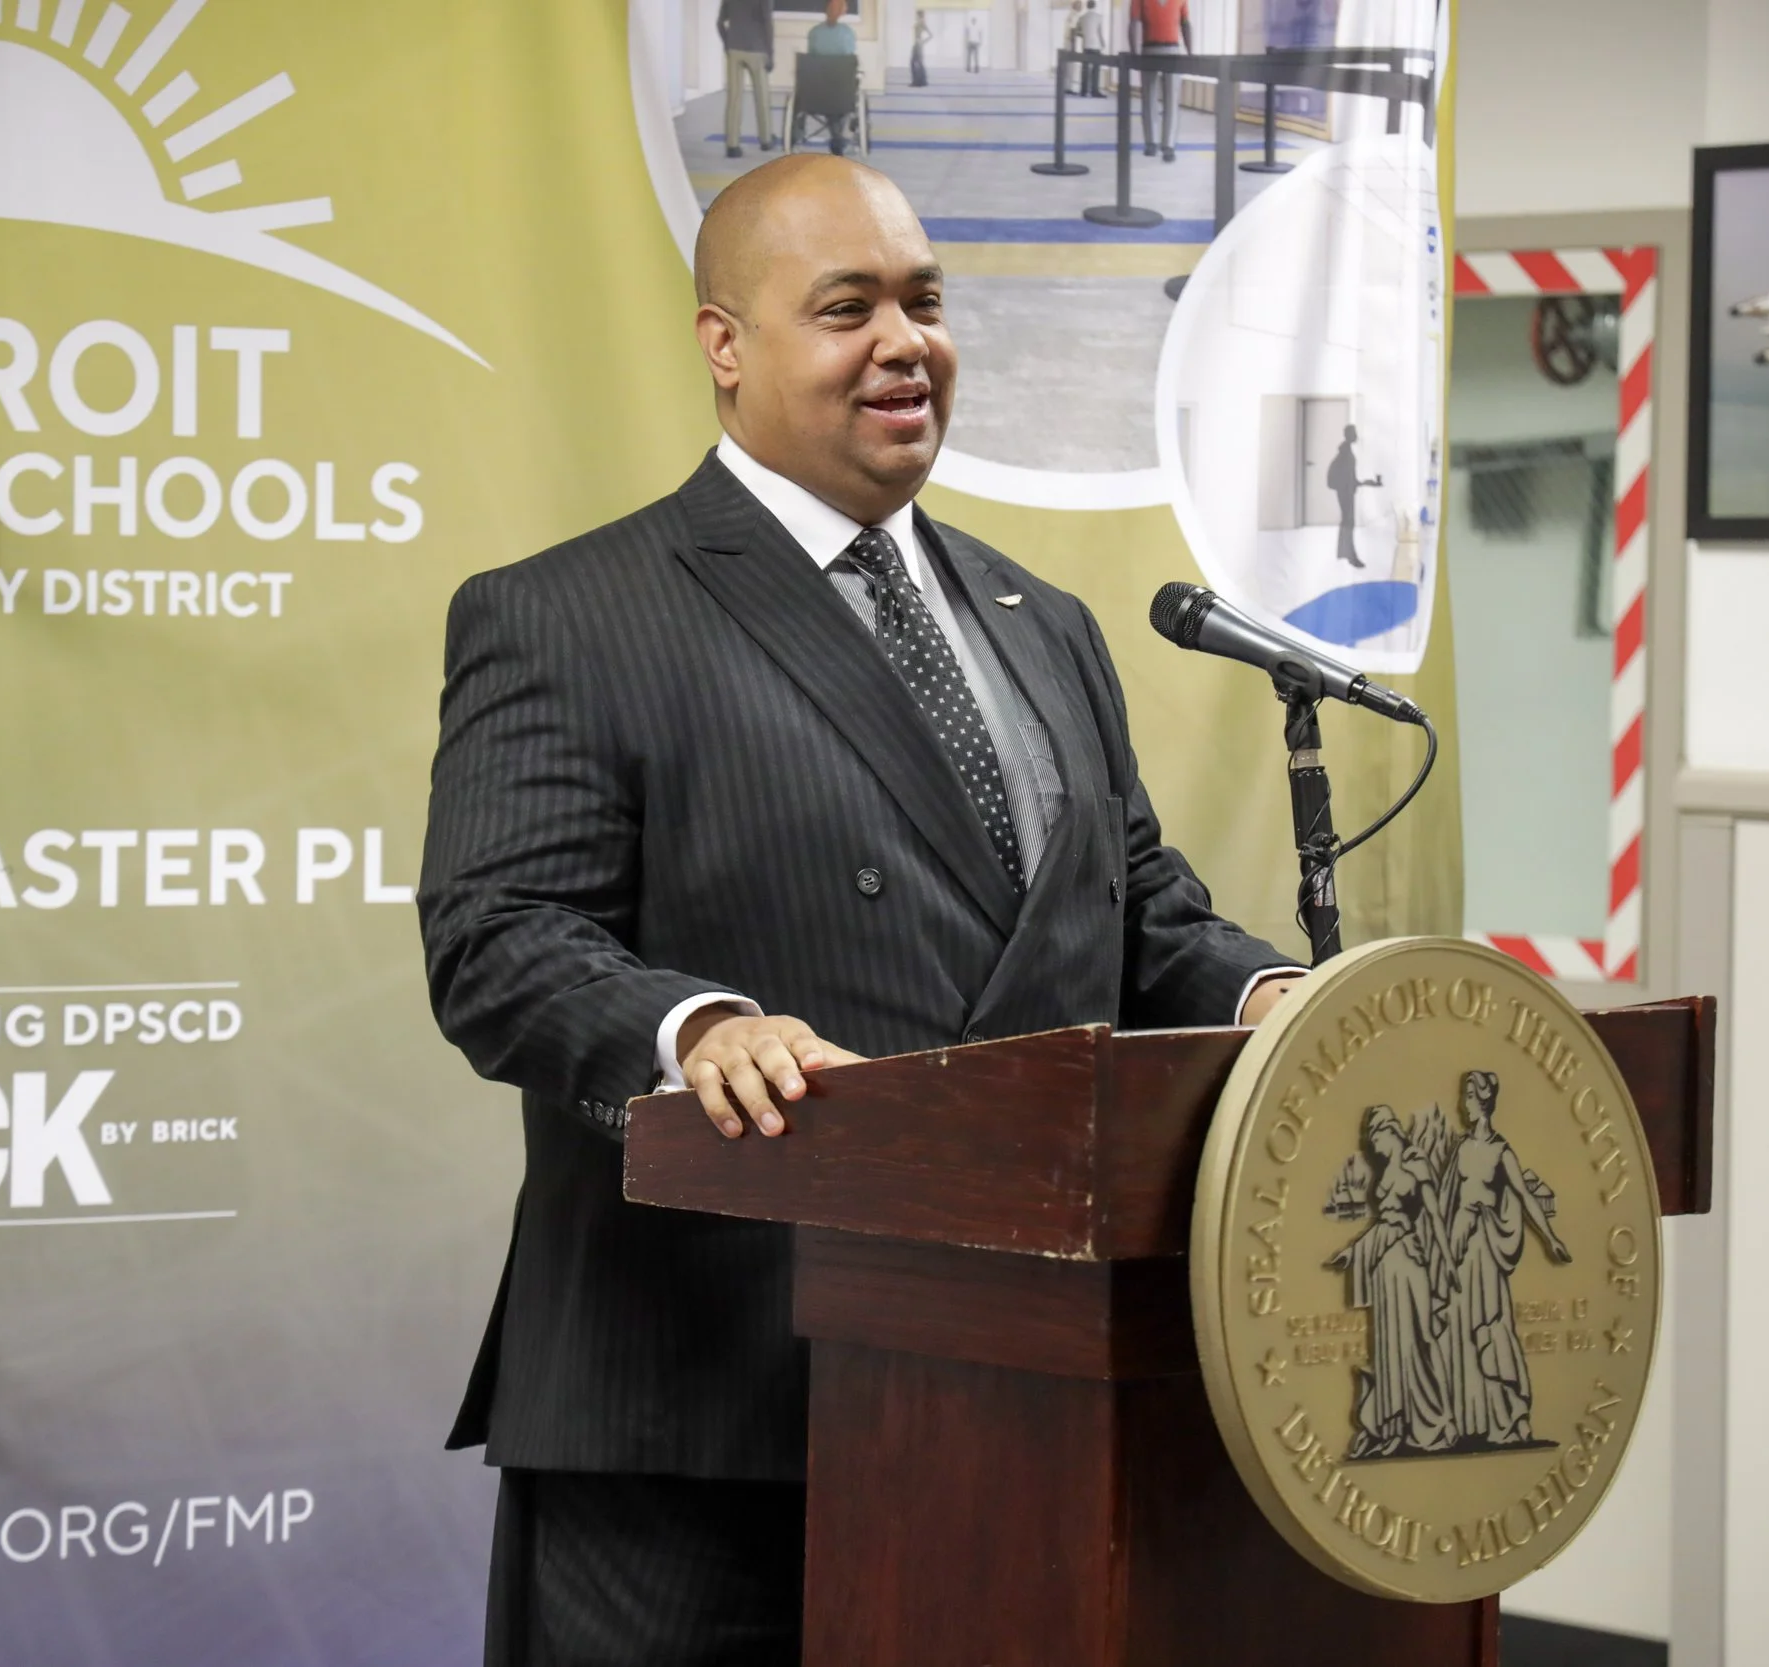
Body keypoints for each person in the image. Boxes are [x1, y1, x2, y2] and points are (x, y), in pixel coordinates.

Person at [419, 154, 1307, 1665]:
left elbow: (1133, 898)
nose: (906, 343)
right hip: (701, 1409)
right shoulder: (570, 612)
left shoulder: (1048, 623)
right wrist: (691, 1022)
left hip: (1013, 1391)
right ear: (725, 345)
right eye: (847, 309)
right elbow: (497, 934)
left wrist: (1265, 994)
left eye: (925, 302)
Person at [1441, 1070, 1570, 1449]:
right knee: (1458, 1327)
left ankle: (1505, 1414)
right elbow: (1445, 1198)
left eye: (1466, 1097)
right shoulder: (1461, 1148)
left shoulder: (1501, 1151)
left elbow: (1526, 1197)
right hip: (1459, 1247)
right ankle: (1469, 1421)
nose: (1461, 1104)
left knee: (1488, 1323)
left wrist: (1550, 1238)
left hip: (1483, 1248)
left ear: (1480, 1101)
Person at [1325, 1105, 1454, 1459]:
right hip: (1385, 1267)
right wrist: (1352, 1254)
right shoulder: (1387, 1171)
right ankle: (1396, 1425)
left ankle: (1435, 1421)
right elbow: (1382, 1226)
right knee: (1389, 1345)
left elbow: (1434, 1216)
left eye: (1375, 1139)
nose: (1372, 1149)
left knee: (1421, 1339)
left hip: (1410, 1262)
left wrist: (1446, 1261)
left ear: (1390, 1132)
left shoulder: (1416, 1163)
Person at [1130, 0, 1191, 159]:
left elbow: (1185, 23)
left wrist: (1191, 53)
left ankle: (1168, 144)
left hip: (1172, 49)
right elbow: (1134, 22)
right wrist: (1134, 52)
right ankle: (1151, 142)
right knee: (1149, 97)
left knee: (1172, 98)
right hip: (1149, 49)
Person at [717, 0, 776, 159]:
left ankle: (732, 145)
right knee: (761, 97)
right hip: (756, 49)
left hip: (734, 49)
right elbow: (767, 23)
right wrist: (771, 54)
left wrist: (727, 44)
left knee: (734, 99)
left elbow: (720, 23)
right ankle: (765, 140)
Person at [805, 0, 859, 156]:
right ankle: (837, 136)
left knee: (830, 92)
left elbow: (811, 60)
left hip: (817, 93)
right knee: (841, 95)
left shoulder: (814, 33)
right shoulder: (848, 33)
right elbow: (849, 62)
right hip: (841, 94)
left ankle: (836, 134)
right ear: (843, 11)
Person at [1327, 423, 1383, 568]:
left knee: (1347, 522)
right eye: (1354, 432)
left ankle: (1344, 553)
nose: (1356, 435)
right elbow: (1346, 476)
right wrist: (1358, 483)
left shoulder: (1346, 451)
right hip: (1345, 492)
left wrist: (1364, 483)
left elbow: (1349, 477)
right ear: (1348, 435)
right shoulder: (1345, 452)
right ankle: (1350, 556)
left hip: (1347, 491)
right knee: (1348, 522)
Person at [911, 10, 931, 85]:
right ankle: (918, 81)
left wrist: (923, 42)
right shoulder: (918, 23)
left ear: (920, 16)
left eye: (917, 15)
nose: (915, 17)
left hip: (919, 45)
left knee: (918, 63)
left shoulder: (922, 24)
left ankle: (920, 81)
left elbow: (931, 35)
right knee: (915, 63)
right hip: (916, 44)